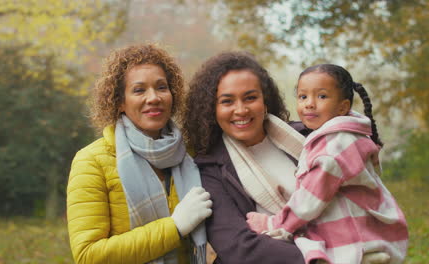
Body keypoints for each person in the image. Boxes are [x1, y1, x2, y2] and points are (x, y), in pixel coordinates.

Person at [182, 52, 391, 264]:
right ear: (212, 109)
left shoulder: (312, 137)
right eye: (227, 101)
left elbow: (361, 193)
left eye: (250, 98)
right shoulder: (209, 170)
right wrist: (328, 259)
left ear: (265, 100)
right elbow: (238, 247)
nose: (241, 110)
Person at [246, 64, 409, 264]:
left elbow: (309, 201)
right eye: (303, 96)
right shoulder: (348, 134)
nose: (309, 104)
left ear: (343, 107)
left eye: (321, 96)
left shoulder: (335, 148)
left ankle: (363, 257)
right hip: (367, 226)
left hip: (354, 235)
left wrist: (272, 223)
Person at [66, 43, 212, 264]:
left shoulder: (191, 154)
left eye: (162, 87)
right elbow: (88, 255)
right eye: (139, 90)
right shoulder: (91, 161)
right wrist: (175, 227)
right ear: (120, 102)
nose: (153, 97)